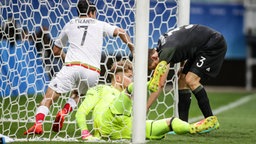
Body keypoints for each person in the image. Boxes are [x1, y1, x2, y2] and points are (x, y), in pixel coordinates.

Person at [24, 0, 134, 135]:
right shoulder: (100, 24)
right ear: (91, 12)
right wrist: (133, 49)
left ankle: (38, 124)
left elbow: (56, 51)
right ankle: (64, 112)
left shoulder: (70, 23)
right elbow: (121, 32)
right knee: (78, 94)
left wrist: (69, 59)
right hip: (93, 72)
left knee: (48, 98)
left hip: (72, 66)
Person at [76, 59, 219, 140]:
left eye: (132, 77)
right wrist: (85, 132)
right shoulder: (101, 89)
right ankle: (150, 84)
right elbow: (81, 112)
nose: (131, 78)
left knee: (170, 122)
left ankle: (193, 127)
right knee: (129, 90)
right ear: (118, 77)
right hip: (107, 122)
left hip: (127, 128)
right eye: (129, 76)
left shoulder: (129, 99)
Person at [147, 24, 227, 133]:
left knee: (191, 80)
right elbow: (184, 44)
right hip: (202, 45)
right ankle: (182, 125)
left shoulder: (164, 54)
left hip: (213, 44)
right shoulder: (162, 44)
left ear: (154, 57)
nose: (156, 68)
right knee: (182, 81)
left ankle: (211, 120)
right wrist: (182, 67)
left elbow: (160, 84)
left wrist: (146, 107)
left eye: (154, 66)